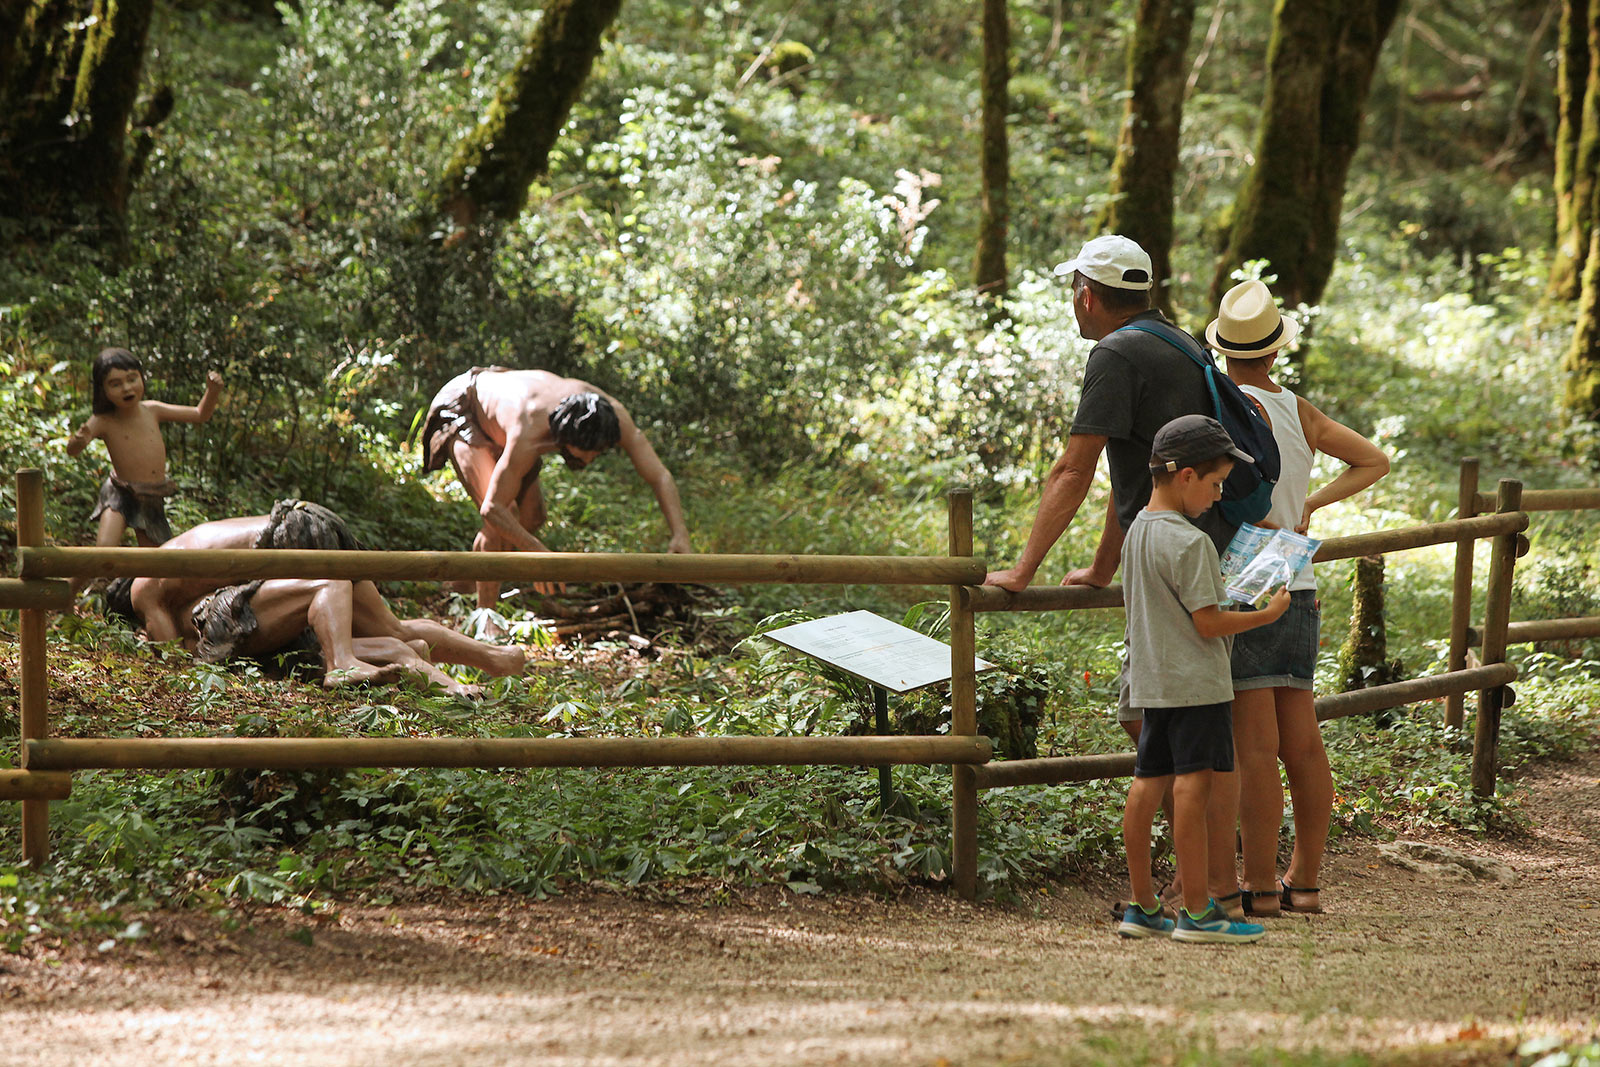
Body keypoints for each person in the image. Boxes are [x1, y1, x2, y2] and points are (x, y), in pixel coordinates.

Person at [984, 235, 1242, 911]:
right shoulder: (1181, 342)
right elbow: (1136, 475)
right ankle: (1207, 877)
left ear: (1086, 296)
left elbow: (1077, 467)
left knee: (1164, 725)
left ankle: (1201, 884)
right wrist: (1102, 566)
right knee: (1169, 718)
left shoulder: (1115, 354)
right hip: (1202, 548)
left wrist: (1020, 570)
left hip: (1173, 559)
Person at [1211, 280, 1391, 917]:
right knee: (1303, 743)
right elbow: (1373, 460)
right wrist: (1310, 503)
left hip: (1243, 585)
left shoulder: (1220, 405)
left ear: (1223, 349)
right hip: (1298, 579)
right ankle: (1306, 880)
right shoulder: (1296, 410)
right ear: (1275, 349)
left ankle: (1258, 883)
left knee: (1253, 748)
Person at [1117, 414, 1290, 944]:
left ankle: (1144, 905)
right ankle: (1197, 911)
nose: (1218, 496)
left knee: (1147, 786)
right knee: (1194, 788)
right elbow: (1208, 623)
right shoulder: (1190, 543)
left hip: (1154, 682)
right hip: (1197, 684)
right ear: (1186, 476)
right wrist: (1267, 612)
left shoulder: (1138, 532)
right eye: (1215, 484)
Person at [103, 502, 526, 693]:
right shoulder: (177, 550)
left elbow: (172, 652)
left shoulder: (142, 587)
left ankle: (341, 661)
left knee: (328, 588)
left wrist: (151, 639)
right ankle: (494, 659)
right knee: (390, 629)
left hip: (283, 539)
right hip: (300, 518)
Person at [420, 367, 692, 611]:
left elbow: (660, 476)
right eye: (585, 453)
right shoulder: (530, 429)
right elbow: (493, 508)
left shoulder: (615, 416)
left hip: (501, 413)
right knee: (506, 516)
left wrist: (680, 533)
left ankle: (459, 587)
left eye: (597, 453)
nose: (589, 460)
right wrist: (539, 556)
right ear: (562, 436)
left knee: (532, 518)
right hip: (464, 406)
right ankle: (485, 618)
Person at [65, 348, 222, 593]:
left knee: (158, 563)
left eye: (131, 379)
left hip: (151, 497)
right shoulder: (103, 420)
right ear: (103, 390)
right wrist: (79, 439)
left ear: (141, 378)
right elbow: (72, 450)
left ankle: (143, 605)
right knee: (103, 551)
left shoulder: (152, 410)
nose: (127, 388)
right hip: (120, 493)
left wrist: (212, 392)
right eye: (116, 384)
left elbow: (199, 414)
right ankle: (65, 592)